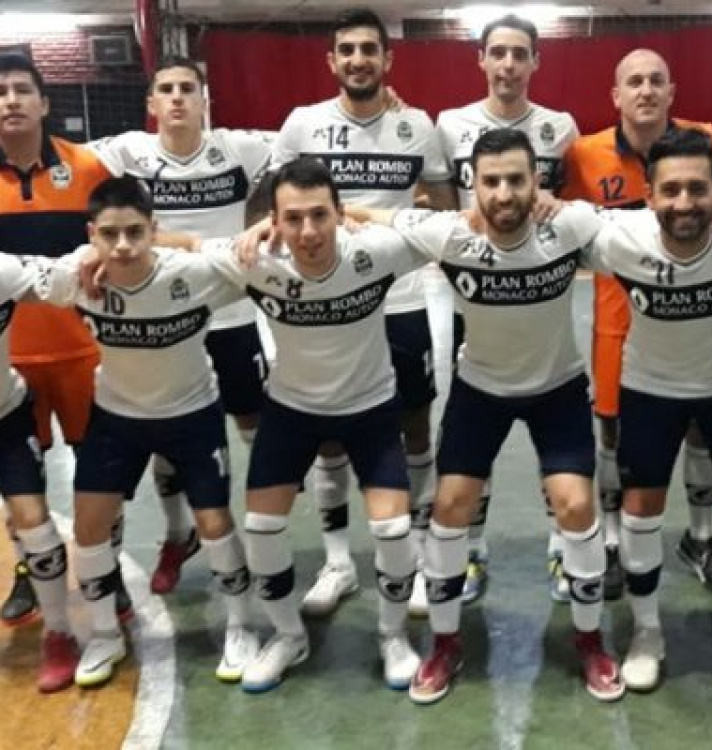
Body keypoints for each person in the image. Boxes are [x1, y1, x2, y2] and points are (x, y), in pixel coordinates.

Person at [350, 128, 623, 704]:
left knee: (576, 505)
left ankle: (590, 640)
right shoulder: (450, 235)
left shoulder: (569, 226)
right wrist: (267, 226)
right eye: (492, 181)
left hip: (557, 388)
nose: (504, 194)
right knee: (450, 506)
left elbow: (641, 226)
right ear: (473, 184)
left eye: (516, 180)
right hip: (480, 390)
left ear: (536, 182)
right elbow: (374, 216)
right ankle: (445, 644)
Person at [584, 129, 712, 697]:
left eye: (698, 189)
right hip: (650, 393)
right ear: (648, 195)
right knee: (639, 514)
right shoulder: (620, 237)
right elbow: (547, 224)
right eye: (671, 190)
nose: (684, 203)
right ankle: (646, 633)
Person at [32, 175, 255, 688]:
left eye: (135, 232)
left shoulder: (194, 273)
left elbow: (257, 256)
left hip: (192, 413)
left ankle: (240, 626)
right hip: (117, 418)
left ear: (154, 229)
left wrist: (219, 236)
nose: (123, 246)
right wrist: (87, 258)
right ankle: (105, 634)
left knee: (215, 522)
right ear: (91, 234)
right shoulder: (76, 275)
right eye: (109, 235)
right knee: (89, 527)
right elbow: (21, 276)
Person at [213, 158, 426, 693]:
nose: (307, 231)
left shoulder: (376, 253)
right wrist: (98, 255)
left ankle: (393, 636)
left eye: (318, 215)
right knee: (261, 528)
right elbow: (175, 249)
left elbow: (454, 227)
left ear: (338, 214)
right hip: (292, 411)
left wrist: (369, 217)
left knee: (393, 530)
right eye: (292, 218)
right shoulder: (254, 260)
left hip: (371, 407)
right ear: (274, 222)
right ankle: (289, 637)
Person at [269, 7, 454, 619]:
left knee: (415, 421)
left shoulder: (416, 126)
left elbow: (443, 207)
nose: (357, 60)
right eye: (346, 49)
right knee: (330, 433)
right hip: (326, 301)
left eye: (368, 49)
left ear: (387, 59)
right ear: (332, 60)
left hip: (399, 298)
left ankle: (418, 553)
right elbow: (272, 203)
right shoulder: (303, 124)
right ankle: (338, 563)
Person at [90, 56, 273, 596]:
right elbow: (64, 166)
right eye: (166, 89)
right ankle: (178, 534)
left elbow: (307, 158)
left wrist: (266, 223)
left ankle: (262, 526)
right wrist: (180, 242)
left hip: (231, 313)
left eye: (187, 88)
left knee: (251, 421)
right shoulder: (128, 152)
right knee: (164, 432)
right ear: (150, 103)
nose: (176, 98)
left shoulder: (241, 149)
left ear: (204, 99)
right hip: (164, 314)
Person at [561, 48, 712, 600]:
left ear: (671, 91)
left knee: (702, 425)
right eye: (634, 81)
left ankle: (700, 537)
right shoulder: (584, 155)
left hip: (694, 318)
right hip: (618, 323)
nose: (646, 90)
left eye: (657, 80)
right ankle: (611, 542)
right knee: (612, 433)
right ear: (616, 95)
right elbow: (556, 217)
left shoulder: (707, 141)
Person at [436, 14, 579, 603]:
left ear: (536, 61)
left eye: (520, 53)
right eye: (498, 52)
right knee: (475, 428)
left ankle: (560, 545)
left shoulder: (559, 126)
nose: (509, 64)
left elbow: (570, 204)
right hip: (475, 292)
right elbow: (441, 203)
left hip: (540, 291)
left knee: (555, 434)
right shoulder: (450, 124)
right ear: (481, 59)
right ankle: (471, 548)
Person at [0, 53, 132, 626]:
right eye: (1, 91)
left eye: (21, 89)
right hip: (11, 363)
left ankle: (110, 569)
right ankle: (29, 570)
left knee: (99, 472)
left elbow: (120, 236)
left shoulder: (87, 167)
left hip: (83, 351)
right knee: (20, 484)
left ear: (44, 103)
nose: (10, 100)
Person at [0, 254, 77, 692]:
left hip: (6, 417)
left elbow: (60, 283)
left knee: (33, 520)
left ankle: (58, 633)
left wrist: (97, 254)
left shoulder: (3, 270)